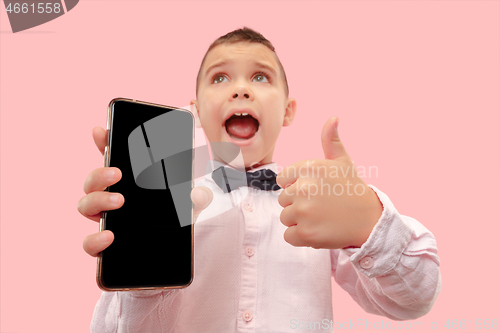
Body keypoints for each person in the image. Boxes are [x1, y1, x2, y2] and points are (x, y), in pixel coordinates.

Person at [78, 27, 441, 333]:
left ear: (287, 110)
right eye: (220, 78)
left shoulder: (320, 201)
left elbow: (412, 302)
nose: (240, 90)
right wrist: (139, 267)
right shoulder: (170, 201)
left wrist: (370, 226)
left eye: (260, 77)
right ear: (197, 112)